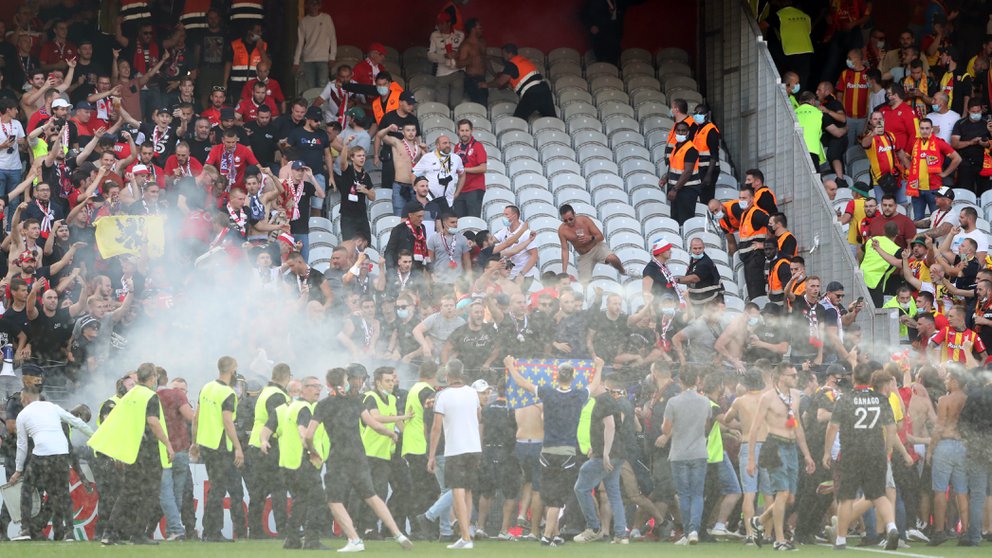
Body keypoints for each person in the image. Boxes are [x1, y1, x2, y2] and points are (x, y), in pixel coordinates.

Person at [304, 367, 413, 553]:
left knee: (334, 499)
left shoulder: (323, 405)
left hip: (338, 458)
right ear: (345, 382)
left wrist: (313, 451)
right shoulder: (356, 402)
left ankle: (354, 539)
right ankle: (398, 533)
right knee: (371, 495)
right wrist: (390, 434)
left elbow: (309, 435)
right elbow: (374, 424)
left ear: (328, 383)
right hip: (359, 456)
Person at [505, 356, 603, 546]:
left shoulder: (548, 392)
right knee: (557, 498)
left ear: (556, 377)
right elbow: (595, 383)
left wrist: (510, 366)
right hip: (567, 452)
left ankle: (554, 534)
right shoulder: (578, 395)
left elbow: (522, 382)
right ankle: (548, 536)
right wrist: (599, 366)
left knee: (550, 494)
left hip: (547, 451)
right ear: (573, 377)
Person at [87, 363, 173, 545]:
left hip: (133, 452)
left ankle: (109, 533)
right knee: (150, 494)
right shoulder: (150, 396)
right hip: (150, 452)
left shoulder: (129, 396)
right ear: (152, 378)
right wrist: (167, 444)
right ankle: (138, 533)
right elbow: (153, 422)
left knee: (127, 493)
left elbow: (118, 423)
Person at [822, 362, 902, 550]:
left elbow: (833, 426)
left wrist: (826, 452)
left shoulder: (845, 399)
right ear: (870, 379)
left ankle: (841, 539)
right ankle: (891, 528)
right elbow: (891, 428)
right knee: (879, 494)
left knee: (847, 496)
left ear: (853, 379)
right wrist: (888, 450)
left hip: (852, 453)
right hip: (876, 452)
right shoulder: (881, 398)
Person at [746, 363, 816, 552]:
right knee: (782, 494)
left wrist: (807, 455)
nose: (795, 378)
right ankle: (779, 539)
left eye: (795, 375)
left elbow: (798, 425)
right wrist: (751, 459)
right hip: (775, 445)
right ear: (781, 377)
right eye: (792, 375)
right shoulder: (767, 398)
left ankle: (759, 521)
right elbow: (754, 429)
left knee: (790, 498)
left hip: (792, 447)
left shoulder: (795, 396)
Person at [11, 386, 94, 541]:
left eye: (22, 398)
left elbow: (21, 445)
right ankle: (68, 532)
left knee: (27, 489)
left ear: (26, 398)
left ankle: (27, 529)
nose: (21, 401)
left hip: (41, 455)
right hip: (60, 455)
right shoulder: (53, 407)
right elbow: (78, 423)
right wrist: (97, 436)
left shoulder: (23, 414)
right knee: (62, 494)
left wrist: (18, 470)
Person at [259, 376, 327, 549]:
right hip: (303, 462)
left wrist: (263, 441)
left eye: (319, 386)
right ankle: (312, 540)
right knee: (317, 500)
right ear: (301, 390)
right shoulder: (304, 408)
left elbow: (265, 430)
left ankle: (292, 538)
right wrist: (312, 450)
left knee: (301, 501)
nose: (318, 390)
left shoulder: (285, 409)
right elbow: (303, 433)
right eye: (313, 386)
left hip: (288, 465)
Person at [428, 360, 481, 550]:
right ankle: (466, 535)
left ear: (447, 376)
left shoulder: (443, 396)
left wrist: (431, 455)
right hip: (474, 448)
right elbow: (477, 416)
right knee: (467, 491)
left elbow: (436, 428)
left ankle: (465, 536)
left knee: (457, 490)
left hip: (455, 449)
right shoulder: (473, 393)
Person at [192, 356, 246, 542]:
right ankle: (213, 531)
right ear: (232, 370)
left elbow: (196, 417)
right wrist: (238, 448)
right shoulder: (228, 394)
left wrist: (195, 442)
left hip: (207, 445)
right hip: (222, 447)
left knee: (231, 487)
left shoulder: (206, 387)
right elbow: (227, 421)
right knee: (220, 488)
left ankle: (224, 530)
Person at [572, 374, 627, 544]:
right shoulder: (609, 400)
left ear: (599, 384)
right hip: (617, 453)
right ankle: (621, 534)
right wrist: (597, 450)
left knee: (581, 488)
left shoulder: (603, 401)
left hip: (609, 455)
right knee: (614, 493)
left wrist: (604, 453)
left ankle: (593, 527)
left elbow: (610, 426)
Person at [245, 363, 292, 539]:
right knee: (279, 488)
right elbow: (277, 421)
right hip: (269, 446)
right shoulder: (278, 396)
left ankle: (255, 530)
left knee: (258, 491)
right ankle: (282, 529)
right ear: (288, 377)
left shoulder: (265, 391)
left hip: (256, 445)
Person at [481, 44, 556, 119]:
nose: (503, 56)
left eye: (503, 54)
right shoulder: (521, 60)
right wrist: (491, 57)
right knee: (551, 119)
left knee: (519, 120)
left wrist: (485, 85)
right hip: (545, 90)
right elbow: (503, 61)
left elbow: (500, 82)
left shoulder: (511, 64)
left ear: (509, 54)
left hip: (532, 94)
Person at [907, 118, 960, 220]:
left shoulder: (939, 143)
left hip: (934, 189)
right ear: (919, 129)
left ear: (931, 129)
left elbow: (957, 158)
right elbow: (904, 156)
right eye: (922, 128)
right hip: (916, 188)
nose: (924, 131)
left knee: (936, 219)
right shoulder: (913, 142)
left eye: (927, 128)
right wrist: (911, 169)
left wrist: (945, 173)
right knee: (918, 220)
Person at [558, 203, 625, 284]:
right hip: (584, 255)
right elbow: (565, 250)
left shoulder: (584, 220)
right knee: (584, 283)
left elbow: (600, 236)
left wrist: (590, 238)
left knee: (612, 258)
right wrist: (564, 271)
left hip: (597, 247)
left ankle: (623, 271)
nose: (568, 222)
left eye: (570, 219)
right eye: (565, 220)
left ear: (575, 214)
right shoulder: (562, 230)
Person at [377, 120, 425, 215]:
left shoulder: (419, 148)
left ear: (416, 132)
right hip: (399, 185)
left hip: (414, 187)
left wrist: (425, 150)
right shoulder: (397, 143)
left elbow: (427, 165)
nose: (411, 133)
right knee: (399, 215)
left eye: (413, 130)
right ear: (403, 132)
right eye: (408, 130)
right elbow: (380, 135)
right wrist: (388, 128)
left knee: (416, 215)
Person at [336, 137, 376, 242]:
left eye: (363, 156)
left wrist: (365, 191)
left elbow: (373, 196)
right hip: (348, 216)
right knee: (349, 247)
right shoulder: (348, 170)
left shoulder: (366, 176)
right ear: (352, 158)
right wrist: (346, 145)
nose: (362, 158)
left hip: (362, 216)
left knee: (366, 245)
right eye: (359, 156)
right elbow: (343, 162)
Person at [412, 134, 465, 213]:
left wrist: (457, 193)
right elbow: (414, 174)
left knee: (445, 225)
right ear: (437, 145)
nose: (448, 145)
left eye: (449, 143)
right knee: (429, 224)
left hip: (448, 202)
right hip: (429, 200)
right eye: (444, 143)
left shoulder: (456, 158)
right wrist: (416, 191)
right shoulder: (428, 157)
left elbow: (462, 174)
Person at [292, 0, 337, 92]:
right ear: (307, 5)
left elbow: (333, 38)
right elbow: (300, 42)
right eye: (311, 3)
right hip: (308, 59)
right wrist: (296, 62)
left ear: (320, 5)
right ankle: (312, 106)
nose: (314, 6)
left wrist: (332, 57)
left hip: (323, 59)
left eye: (316, 3)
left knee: (322, 86)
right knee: (310, 88)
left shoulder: (326, 18)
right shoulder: (304, 21)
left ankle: (322, 106)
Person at [662, 120, 701, 225]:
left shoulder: (691, 149)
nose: (680, 133)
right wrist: (666, 178)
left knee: (685, 220)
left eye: (683, 131)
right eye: (678, 130)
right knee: (675, 219)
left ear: (688, 133)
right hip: (677, 189)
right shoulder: (677, 147)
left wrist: (675, 189)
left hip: (687, 190)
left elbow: (688, 171)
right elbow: (673, 165)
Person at [427, 13, 465, 108]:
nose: (439, 26)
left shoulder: (460, 35)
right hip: (442, 73)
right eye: (438, 23)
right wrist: (444, 56)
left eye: (442, 23)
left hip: (457, 72)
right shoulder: (434, 35)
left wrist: (457, 54)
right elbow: (430, 55)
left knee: (455, 105)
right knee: (441, 105)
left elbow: (466, 53)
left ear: (449, 23)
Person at [452, 119, 486, 218]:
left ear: (471, 131)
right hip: (460, 189)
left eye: (467, 130)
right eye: (462, 131)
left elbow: (483, 168)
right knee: (459, 221)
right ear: (458, 131)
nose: (464, 133)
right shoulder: (457, 147)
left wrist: (464, 169)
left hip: (475, 189)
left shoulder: (478, 146)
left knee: (473, 220)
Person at [428, 212, 472, 288]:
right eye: (452, 222)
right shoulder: (434, 239)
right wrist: (429, 281)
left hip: (457, 282)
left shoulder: (463, 239)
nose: (455, 224)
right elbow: (429, 261)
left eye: (456, 222)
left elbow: (467, 262)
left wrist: (469, 281)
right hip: (439, 281)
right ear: (444, 223)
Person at [675, 237, 723, 306]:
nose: (697, 251)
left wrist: (677, 280)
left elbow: (694, 278)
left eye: (700, 248)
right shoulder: (694, 259)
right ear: (690, 249)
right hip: (700, 301)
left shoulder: (705, 262)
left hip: (711, 301)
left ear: (704, 248)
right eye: (695, 248)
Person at [456, 19, 488, 106]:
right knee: (481, 105)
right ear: (473, 29)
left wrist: (494, 74)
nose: (481, 29)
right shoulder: (466, 45)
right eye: (479, 27)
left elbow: (486, 60)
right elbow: (458, 64)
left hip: (483, 78)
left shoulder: (482, 43)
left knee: (484, 104)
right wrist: (469, 60)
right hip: (472, 79)